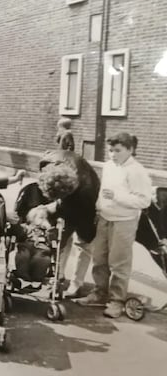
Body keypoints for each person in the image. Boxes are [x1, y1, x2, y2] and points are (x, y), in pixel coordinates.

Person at [76, 133, 152, 318]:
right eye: (110, 150)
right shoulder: (109, 166)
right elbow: (103, 191)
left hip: (124, 221)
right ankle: (100, 292)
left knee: (119, 262)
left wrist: (117, 197)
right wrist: (98, 208)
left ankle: (116, 301)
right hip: (104, 218)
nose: (112, 154)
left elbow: (144, 201)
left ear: (130, 150)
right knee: (99, 259)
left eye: (117, 151)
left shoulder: (137, 171)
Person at [18, 151, 98, 297]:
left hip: (86, 203)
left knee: (83, 243)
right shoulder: (50, 163)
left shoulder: (87, 193)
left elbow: (88, 233)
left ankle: (76, 284)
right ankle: (58, 275)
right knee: (62, 237)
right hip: (67, 186)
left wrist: (54, 209)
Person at [11, 206, 58, 288]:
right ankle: (22, 277)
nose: (43, 220)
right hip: (26, 245)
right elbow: (20, 234)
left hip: (41, 247)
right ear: (33, 218)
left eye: (46, 218)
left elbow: (52, 241)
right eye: (41, 217)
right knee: (23, 255)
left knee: (41, 258)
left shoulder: (48, 230)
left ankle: (37, 278)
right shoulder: (26, 227)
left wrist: (49, 231)